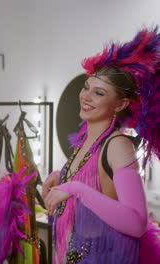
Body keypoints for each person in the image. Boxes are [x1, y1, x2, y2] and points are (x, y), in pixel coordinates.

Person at [43, 27, 160, 264]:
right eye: (86, 87)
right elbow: (96, 179)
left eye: (98, 93)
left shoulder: (118, 146)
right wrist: (62, 175)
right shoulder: (87, 141)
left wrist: (75, 188)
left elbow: (137, 223)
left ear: (120, 104)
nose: (85, 96)